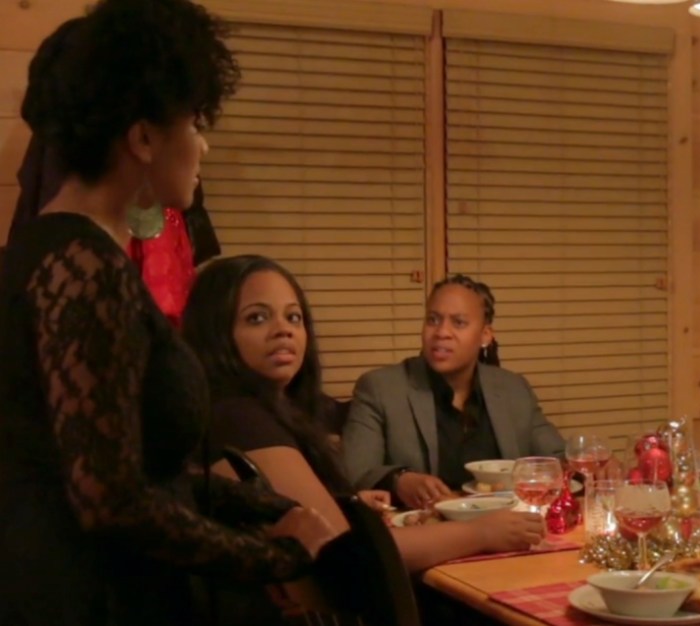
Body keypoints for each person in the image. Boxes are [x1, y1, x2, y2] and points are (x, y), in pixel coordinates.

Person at [0, 3, 336, 625]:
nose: (203, 143)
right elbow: (113, 500)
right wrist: (277, 557)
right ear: (144, 136)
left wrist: (260, 508)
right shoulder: (83, 267)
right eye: (195, 122)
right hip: (85, 597)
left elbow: (150, 469)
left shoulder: (50, 253)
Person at [182, 256, 547, 575]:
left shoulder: (278, 410)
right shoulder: (239, 418)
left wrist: (350, 504)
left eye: (293, 317)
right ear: (217, 331)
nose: (284, 329)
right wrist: (482, 532)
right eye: (257, 317)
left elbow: (309, 518)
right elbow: (351, 552)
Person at [342, 274, 565, 510]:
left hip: (506, 529)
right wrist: (400, 480)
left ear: (485, 335)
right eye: (433, 320)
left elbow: (556, 459)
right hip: (428, 534)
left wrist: (593, 466)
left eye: (458, 323)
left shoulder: (513, 389)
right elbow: (354, 472)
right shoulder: (381, 388)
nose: (441, 332)